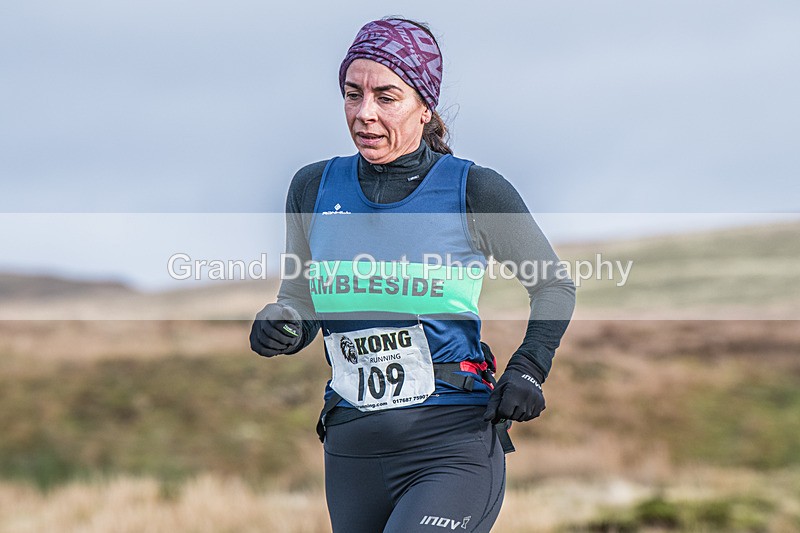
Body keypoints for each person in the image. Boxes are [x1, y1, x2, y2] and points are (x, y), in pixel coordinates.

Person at [250, 17, 575, 532]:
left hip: (451, 445)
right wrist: (281, 324)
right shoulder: (312, 188)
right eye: (352, 95)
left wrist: (530, 367)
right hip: (352, 449)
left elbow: (553, 284)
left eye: (386, 97)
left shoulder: (473, 190)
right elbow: (301, 299)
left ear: (425, 107)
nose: (364, 113)